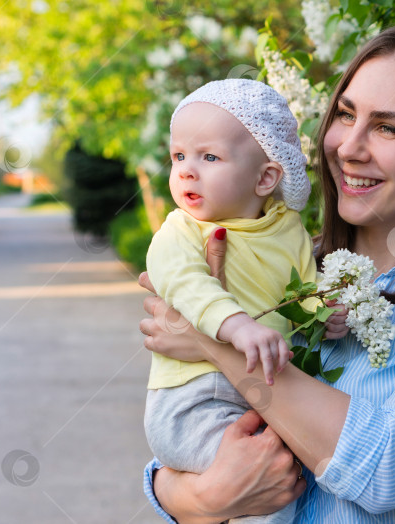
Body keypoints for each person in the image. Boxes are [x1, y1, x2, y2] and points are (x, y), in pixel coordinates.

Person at [138, 24, 395, 523]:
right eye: (346, 115)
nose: (348, 146)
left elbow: (392, 469)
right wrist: (199, 500)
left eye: (389, 127)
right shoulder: (294, 265)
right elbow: (196, 435)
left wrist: (212, 339)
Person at [144, 78, 347, 524]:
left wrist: (323, 313)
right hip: (195, 399)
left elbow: (302, 292)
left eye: (209, 157)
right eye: (179, 156)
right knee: (267, 479)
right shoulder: (182, 229)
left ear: (266, 177)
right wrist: (236, 325)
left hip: (263, 397)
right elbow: (183, 282)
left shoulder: (288, 229)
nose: (186, 171)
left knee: (279, 471)